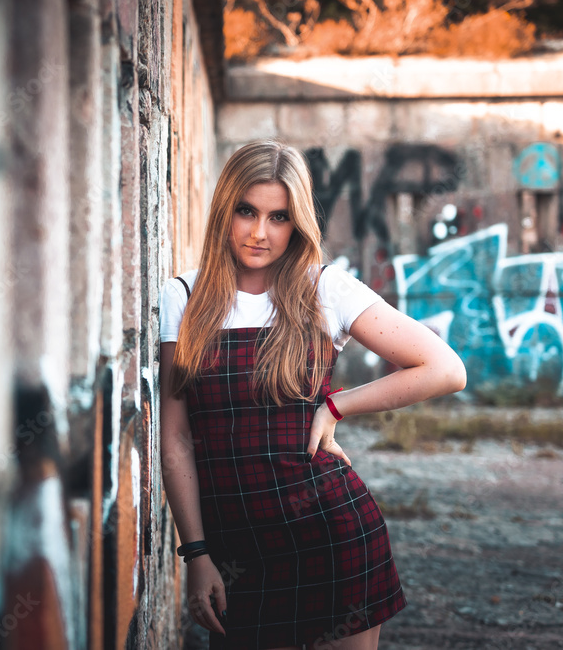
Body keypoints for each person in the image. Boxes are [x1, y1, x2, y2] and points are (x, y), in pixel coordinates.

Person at [158, 139, 466, 650]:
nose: (260, 233)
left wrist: (336, 405)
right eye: (246, 211)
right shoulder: (184, 298)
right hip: (236, 558)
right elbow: (176, 439)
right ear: (223, 210)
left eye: (278, 217)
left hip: (333, 540)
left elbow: (444, 368)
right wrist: (195, 553)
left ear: (297, 223)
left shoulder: (324, 289)